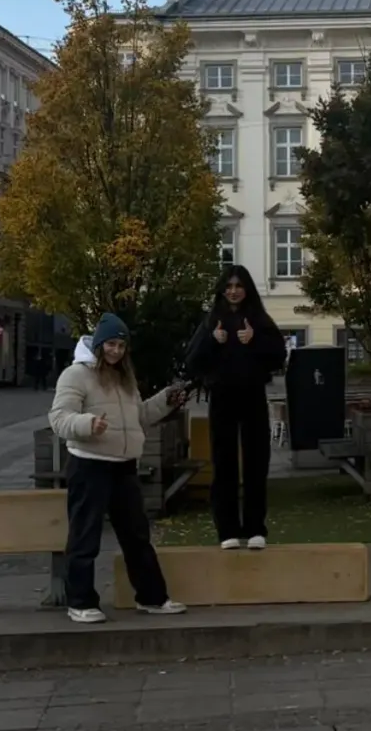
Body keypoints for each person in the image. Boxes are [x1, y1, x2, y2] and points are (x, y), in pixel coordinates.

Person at [48, 312, 189, 626]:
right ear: (99, 345)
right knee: (85, 536)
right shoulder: (76, 375)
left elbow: (138, 416)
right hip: (89, 465)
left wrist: (167, 400)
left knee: (137, 536)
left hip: (124, 467)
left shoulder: (125, 378)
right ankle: (80, 601)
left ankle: (152, 597)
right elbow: (58, 418)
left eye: (121, 346)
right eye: (110, 344)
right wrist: (87, 424)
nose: (116, 351)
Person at [183, 266, 286, 549]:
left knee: (256, 463)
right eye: (228, 286)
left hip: (253, 396)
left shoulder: (258, 319)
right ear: (221, 289)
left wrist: (254, 342)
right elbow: (192, 360)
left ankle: (255, 529)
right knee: (224, 464)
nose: (233, 290)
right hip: (223, 398)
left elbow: (279, 354)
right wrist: (212, 342)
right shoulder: (212, 321)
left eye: (238, 285)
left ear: (247, 289)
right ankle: (227, 530)